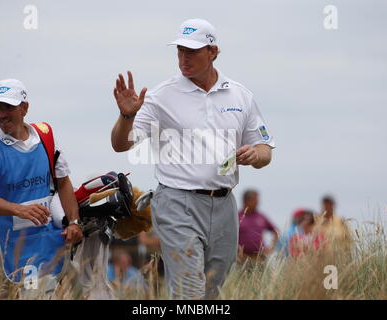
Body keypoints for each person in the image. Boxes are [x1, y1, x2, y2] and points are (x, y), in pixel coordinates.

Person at [110, 19, 275, 299]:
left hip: (224, 205)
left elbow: (265, 150)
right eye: (180, 51)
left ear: (213, 52)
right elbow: (121, 144)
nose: (184, 58)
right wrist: (127, 116)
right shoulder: (160, 96)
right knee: (190, 291)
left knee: (211, 290)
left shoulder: (240, 95)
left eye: (192, 51)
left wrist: (255, 153)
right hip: (177, 203)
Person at [0, 79, 83, 294]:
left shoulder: (46, 139)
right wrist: (20, 209)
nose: (2, 114)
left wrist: (74, 222)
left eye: (8, 107)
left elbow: (63, 181)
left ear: (25, 108)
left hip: (37, 241)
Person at [237, 190, 278, 263]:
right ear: (246, 201)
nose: (257, 203)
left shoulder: (261, 216)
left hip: (259, 258)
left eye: (257, 200)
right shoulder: (237, 216)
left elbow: (275, 231)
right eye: (254, 200)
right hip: (242, 257)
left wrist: (271, 247)